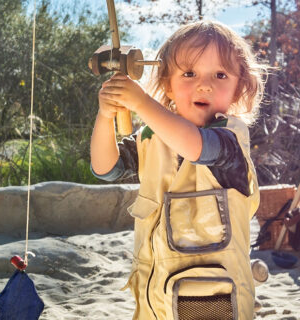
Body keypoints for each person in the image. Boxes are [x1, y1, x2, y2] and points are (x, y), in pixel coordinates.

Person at [90, 20, 266, 320]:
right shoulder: (151, 136)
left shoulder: (230, 139)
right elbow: (106, 169)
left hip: (213, 301)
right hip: (156, 293)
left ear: (238, 89)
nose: (204, 84)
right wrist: (105, 116)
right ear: (168, 85)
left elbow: (194, 146)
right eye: (189, 73)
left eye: (221, 74)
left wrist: (141, 103)